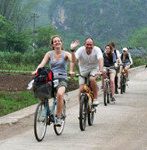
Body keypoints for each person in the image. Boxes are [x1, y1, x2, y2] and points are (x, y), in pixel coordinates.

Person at [32, 35, 74, 126]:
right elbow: (42, 64)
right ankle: (45, 110)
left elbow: (73, 60)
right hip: (51, 78)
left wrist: (71, 70)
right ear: (52, 44)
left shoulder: (66, 54)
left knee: (59, 94)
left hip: (62, 78)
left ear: (61, 43)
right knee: (42, 92)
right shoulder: (49, 54)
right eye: (55, 41)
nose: (57, 42)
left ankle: (58, 117)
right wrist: (37, 70)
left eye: (59, 41)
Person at [70, 37, 103, 106]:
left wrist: (101, 70)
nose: (89, 46)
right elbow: (73, 61)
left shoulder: (97, 49)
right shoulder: (80, 50)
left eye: (91, 44)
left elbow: (100, 59)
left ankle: (95, 99)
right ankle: (81, 108)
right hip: (83, 71)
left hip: (94, 69)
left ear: (93, 45)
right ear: (84, 45)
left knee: (92, 79)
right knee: (81, 90)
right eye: (87, 44)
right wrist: (72, 50)